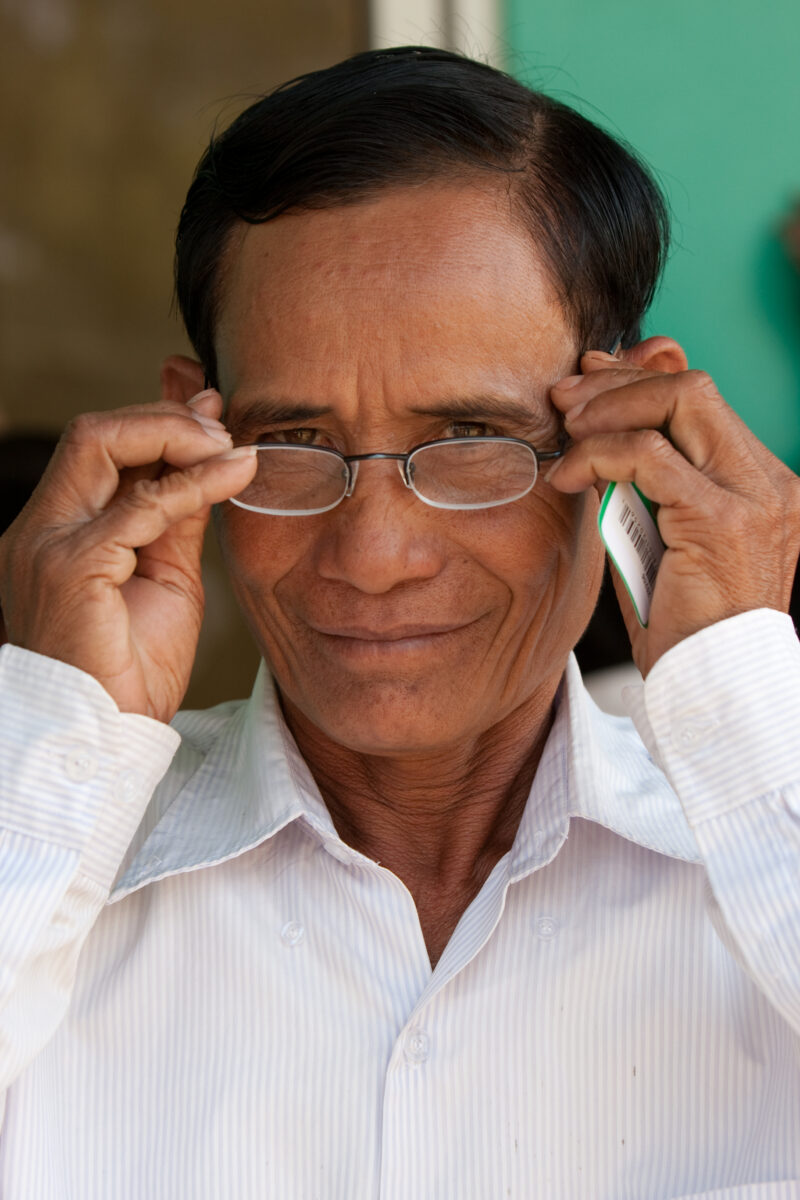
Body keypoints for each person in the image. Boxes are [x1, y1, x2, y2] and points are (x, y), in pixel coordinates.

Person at [0, 46, 799, 1199]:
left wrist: (738, 689)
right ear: (191, 434)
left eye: (470, 439)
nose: (373, 556)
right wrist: (55, 745)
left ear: (635, 424)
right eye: (293, 445)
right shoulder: (52, 881)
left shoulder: (754, 860)